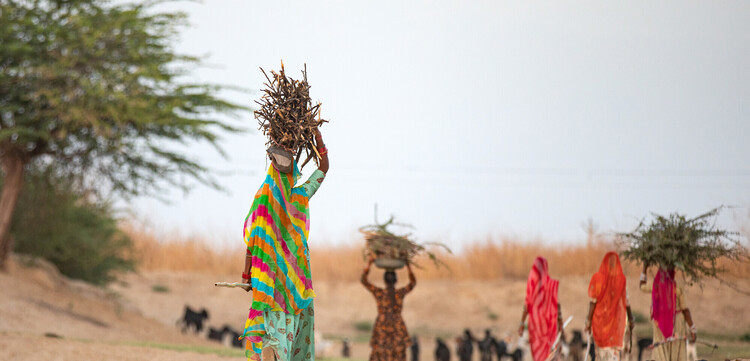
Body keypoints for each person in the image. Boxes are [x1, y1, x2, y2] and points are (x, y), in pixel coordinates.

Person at [239, 129, 330, 361]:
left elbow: (252, 242)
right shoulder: (300, 197)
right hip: (294, 290)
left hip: (267, 286)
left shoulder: (263, 197)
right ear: (294, 173)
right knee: (287, 347)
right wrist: (317, 138)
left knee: (264, 341)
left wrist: (246, 275)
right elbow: (323, 168)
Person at [639, 262, 697, 361]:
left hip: (660, 324)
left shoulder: (655, 285)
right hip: (677, 323)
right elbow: (685, 310)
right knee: (676, 352)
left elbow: (642, 286)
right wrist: (692, 329)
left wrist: (644, 268)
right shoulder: (677, 287)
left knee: (661, 351)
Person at [362, 257, 417, 361]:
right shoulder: (400, 293)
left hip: (382, 328)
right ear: (396, 280)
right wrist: (408, 266)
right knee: (398, 355)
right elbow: (413, 283)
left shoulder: (380, 293)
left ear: (384, 280)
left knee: (380, 354)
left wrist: (369, 263)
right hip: (398, 328)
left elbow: (364, 281)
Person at [584, 252, 635, 361]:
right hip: (615, 327)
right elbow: (627, 301)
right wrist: (631, 319)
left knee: (600, 355)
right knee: (613, 355)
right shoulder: (620, 280)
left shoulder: (598, 279)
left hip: (600, 326)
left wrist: (588, 322)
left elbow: (593, 302)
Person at [518, 257, 564, 361]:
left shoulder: (532, 285)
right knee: (551, 351)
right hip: (550, 326)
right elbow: (557, 305)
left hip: (536, 327)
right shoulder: (551, 284)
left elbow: (526, 306)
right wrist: (560, 322)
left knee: (538, 353)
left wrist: (521, 323)